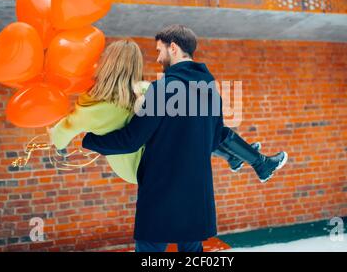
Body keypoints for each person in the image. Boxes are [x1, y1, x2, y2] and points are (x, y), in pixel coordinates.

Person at [78, 25, 288, 252]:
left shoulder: (162, 89)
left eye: (160, 51)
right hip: (197, 195)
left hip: (161, 194)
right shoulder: (211, 91)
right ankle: (258, 162)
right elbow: (215, 138)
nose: (158, 58)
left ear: (174, 48)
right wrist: (241, 155)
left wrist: (88, 140)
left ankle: (257, 162)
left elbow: (130, 140)